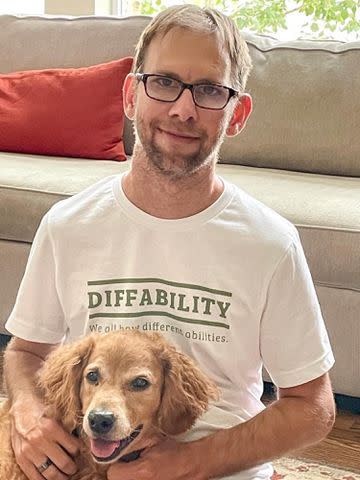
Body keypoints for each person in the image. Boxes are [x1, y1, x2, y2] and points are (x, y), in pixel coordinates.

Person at [4, 4, 336, 480]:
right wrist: (28, 412)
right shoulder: (68, 224)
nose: (183, 109)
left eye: (209, 90)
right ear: (129, 94)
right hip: (94, 462)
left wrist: (189, 463)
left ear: (237, 113)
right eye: (163, 82)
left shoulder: (270, 243)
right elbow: (25, 352)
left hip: (219, 464)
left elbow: (314, 407)